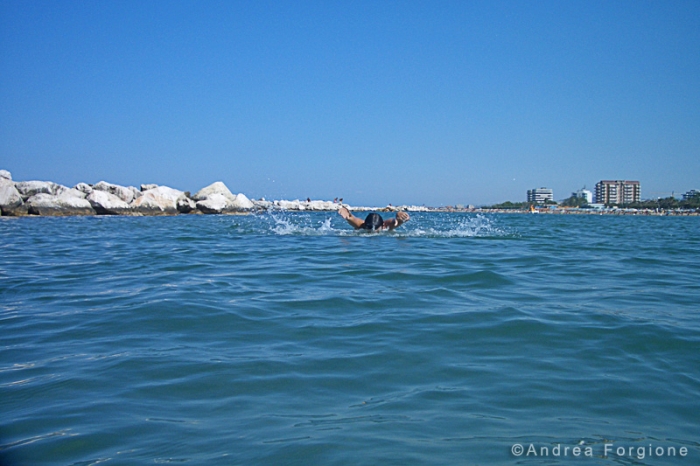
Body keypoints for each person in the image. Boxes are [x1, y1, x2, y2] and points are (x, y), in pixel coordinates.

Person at [338, 206, 410, 231]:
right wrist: (344, 212)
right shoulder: (361, 225)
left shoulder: (386, 226)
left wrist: (400, 214)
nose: (372, 232)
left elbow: (397, 221)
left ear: (382, 225)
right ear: (365, 225)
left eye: (376, 230)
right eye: (369, 230)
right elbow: (351, 217)